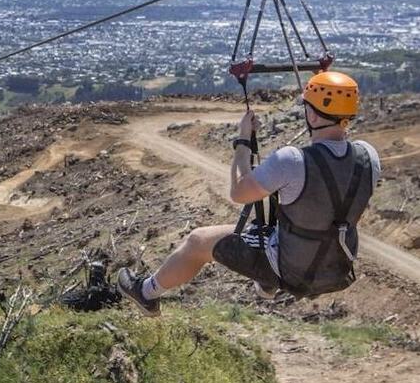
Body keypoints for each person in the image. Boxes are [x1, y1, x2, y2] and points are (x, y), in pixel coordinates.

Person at [118, 71, 380, 316]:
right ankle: (266, 284)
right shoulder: (368, 156)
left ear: (312, 116)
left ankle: (146, 292)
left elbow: (239, 192)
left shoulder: (292, 160)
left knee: (198, 241)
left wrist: (244, 141)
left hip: (293, 269)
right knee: (280, 220)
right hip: (337, 268)